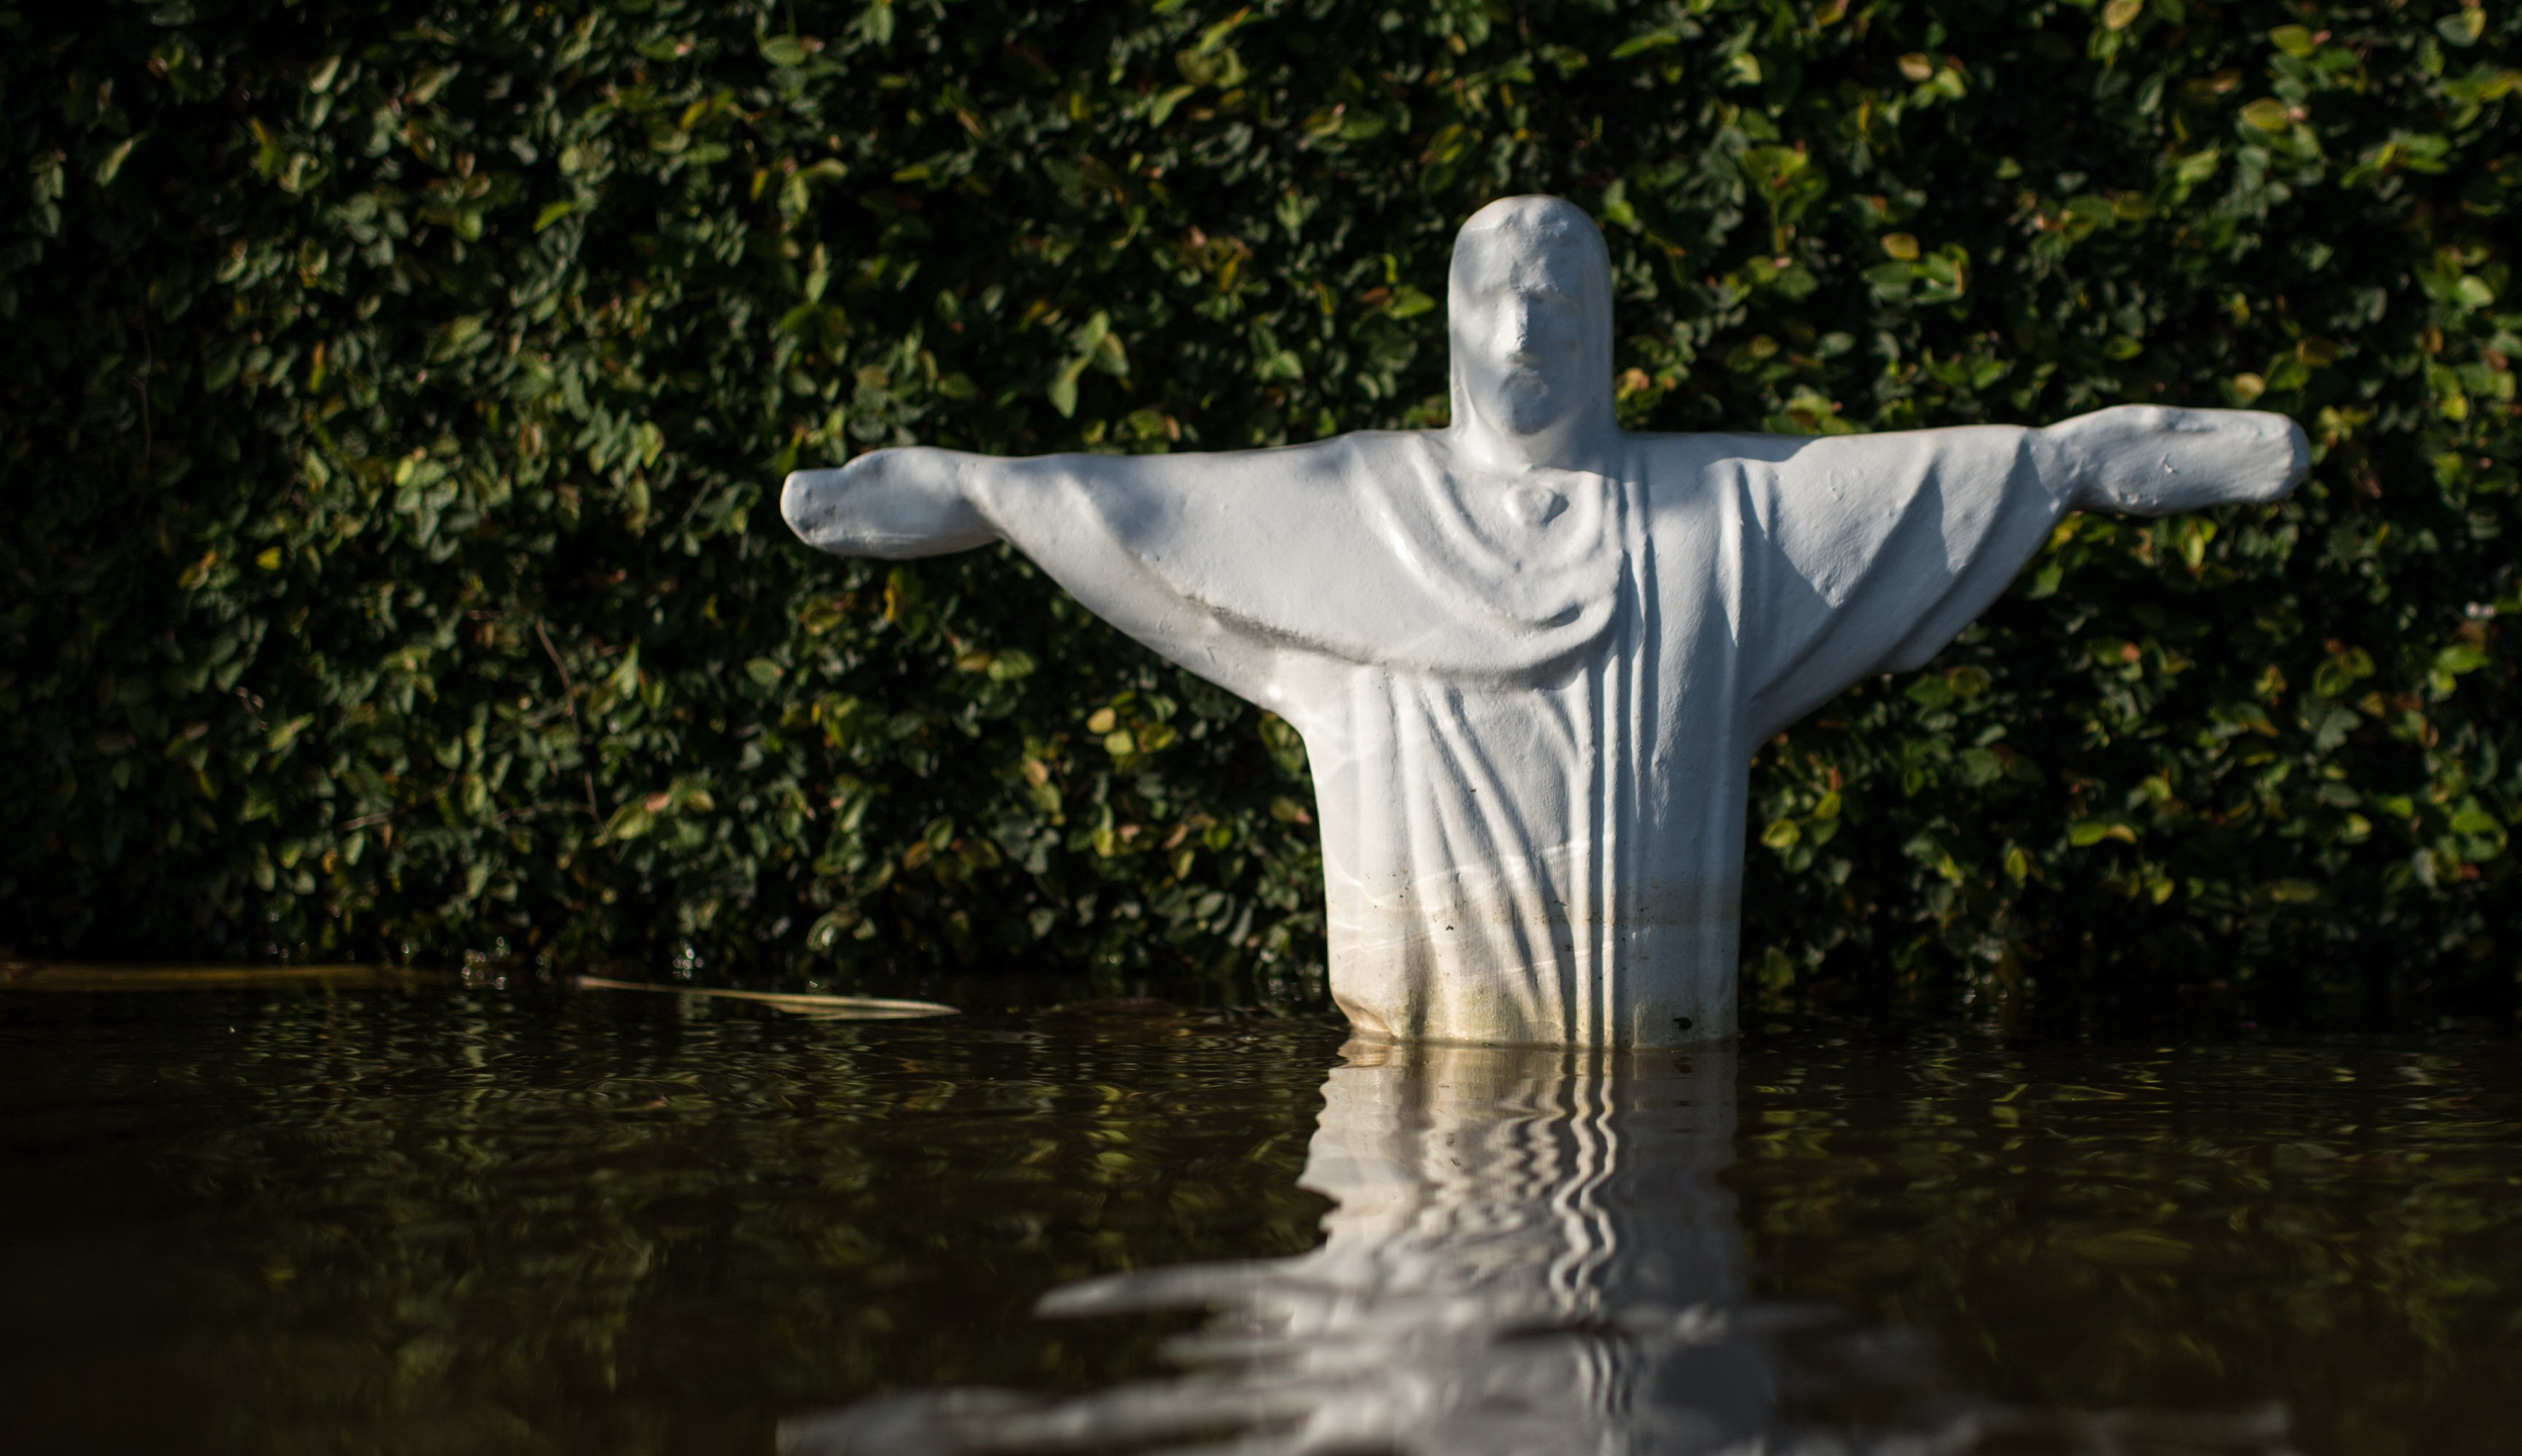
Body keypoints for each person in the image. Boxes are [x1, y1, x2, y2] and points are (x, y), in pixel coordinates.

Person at [780, 195, 2305, 1045]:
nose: (1525, 333)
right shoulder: (1345, 514)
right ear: (1448, 321)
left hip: (1657, 1063)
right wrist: (974, 489)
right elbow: (1138, 512)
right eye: (1498, 300)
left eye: (1561, 303)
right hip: (1407, 1084)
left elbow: (1906, 489)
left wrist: (2070, 467)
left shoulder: (1716, 524)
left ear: (1607, 333)